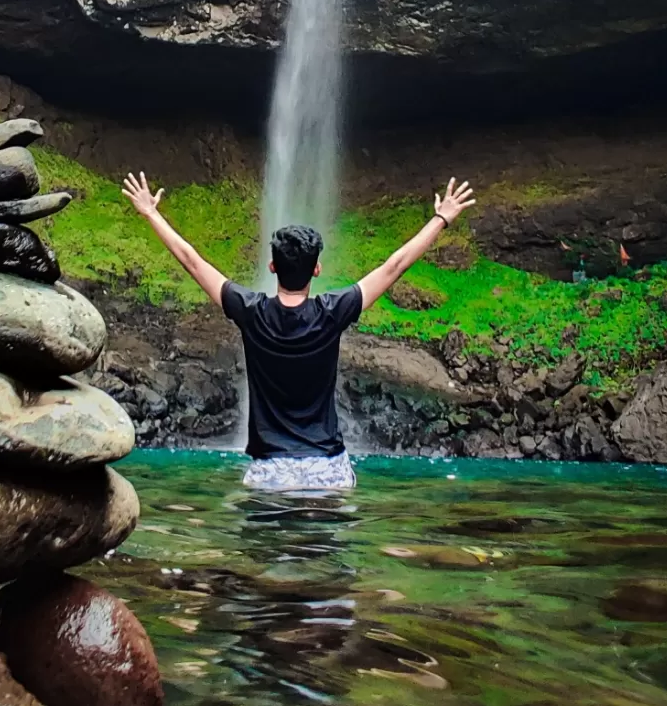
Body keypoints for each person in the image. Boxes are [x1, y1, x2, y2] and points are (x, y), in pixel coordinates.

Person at [121, 171, 476, 492]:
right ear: (317, 269)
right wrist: (441, 218)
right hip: (328, 469)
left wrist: (151, 213)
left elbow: (192, 260)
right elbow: (394, 266)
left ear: (272, 266)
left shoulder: (250, 311)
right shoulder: (333, 312)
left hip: (270, 471)